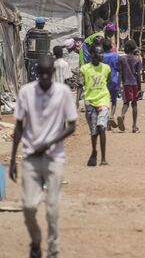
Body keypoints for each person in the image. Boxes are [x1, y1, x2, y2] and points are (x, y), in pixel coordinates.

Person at [9, 55, 78, 258]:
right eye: (43, 74)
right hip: (30, 157)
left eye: (49, 74)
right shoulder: (26, 93)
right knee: (29, 206)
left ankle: (53, 251)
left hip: (54, 158)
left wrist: (51, 142)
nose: (46, 77)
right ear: (38, 73)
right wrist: (13, 160)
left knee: (52, 210)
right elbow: (19, 127)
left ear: (53, 73)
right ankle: (36, 240)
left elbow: (72, 125)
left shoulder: (63, 93)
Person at [80, 45, 111, 166]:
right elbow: (80, 85)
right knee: (94, 131)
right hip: (90, 102)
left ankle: (103, 158)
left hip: (103, 100)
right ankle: (94, 152)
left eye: (102, 53)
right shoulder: (84, 69)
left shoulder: (106, 68)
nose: (101, 55)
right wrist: (77, 101)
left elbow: (108, 81)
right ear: (92, 54)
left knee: (101, 127)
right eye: (99, 53)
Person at [117, 40, 143, 133]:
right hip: (135, 84)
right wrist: (140, 88)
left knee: (126, 103)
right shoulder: (137, 59)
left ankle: (122, 115)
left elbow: (120, 73)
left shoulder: (121, 59)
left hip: (126, 84)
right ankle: (134, 126)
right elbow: (139, 75)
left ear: (126, 49)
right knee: (134, 104)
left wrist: (119, 85)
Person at [102, 39, 120, 129]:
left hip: (104, 81)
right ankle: (112, 116)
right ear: (111, 47)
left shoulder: (101, 57)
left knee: (105, 101)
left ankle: (105, 119)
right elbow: (118, 67)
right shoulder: (115, 55)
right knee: (114, 100)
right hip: (114, 80)